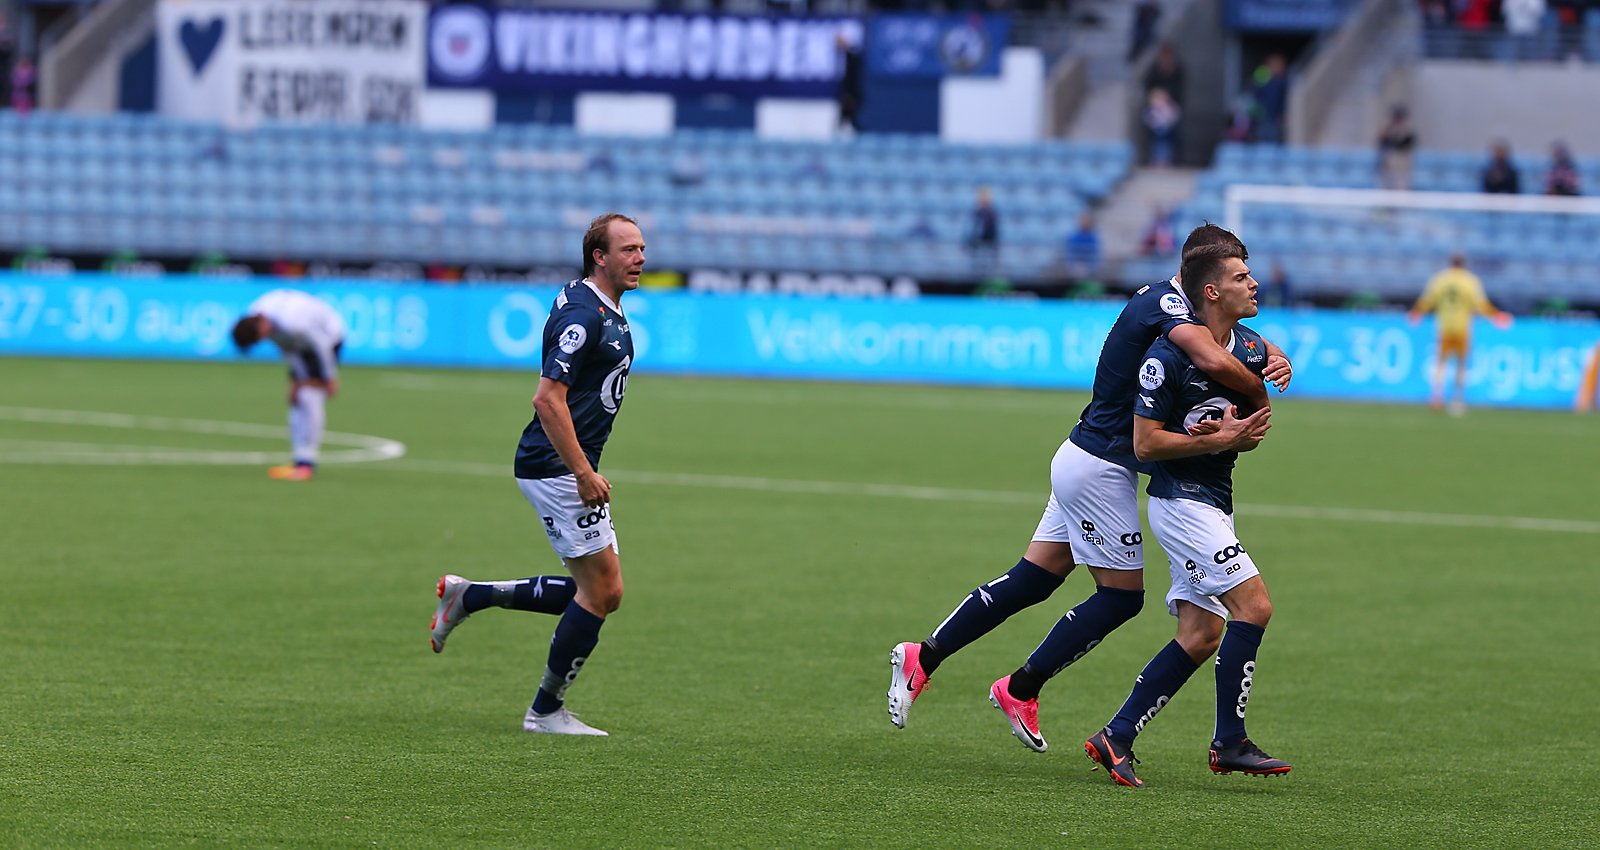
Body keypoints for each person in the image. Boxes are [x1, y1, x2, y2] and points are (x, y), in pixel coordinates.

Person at [886, 224, 1292, 749]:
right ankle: (1022, 685)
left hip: (1088, 457)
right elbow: (1214, 359)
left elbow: (1239, 341)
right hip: (1101, 464)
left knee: (1033, 579)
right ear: (1204, 280)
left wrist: (1272, 352)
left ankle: (927, 655)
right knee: (1121, 599)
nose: (1249, 281)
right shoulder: (1167, 306)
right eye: (1237, 272)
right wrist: (1260, 388)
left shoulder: (1190, 307)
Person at [1082, 239, 1288, 789]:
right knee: (1255, 607)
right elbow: (1147, 447)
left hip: (1215, 499)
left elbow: (1256, 407)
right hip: (1180, 503)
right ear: (1213, 291)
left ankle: (1116, 736)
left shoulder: (1245, 345)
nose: (1255, 283)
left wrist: (1241, 425)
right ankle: (1230, 742)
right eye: (1243, 276)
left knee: (1200, 635)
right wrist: (1206, 439)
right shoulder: (1165, 360)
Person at [429, 213, 644, 737]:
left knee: (602, 592)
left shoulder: (599, 305)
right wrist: (582, 473)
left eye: (641, 248)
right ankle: (545, 711)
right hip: (557, 467)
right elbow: (547, 399)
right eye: (629, 249)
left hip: (564, 465)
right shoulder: (584, 315)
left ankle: (471, 596)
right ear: (600, 255)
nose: (640, 257)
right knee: (600, 592)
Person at [231, 289, 347, 481]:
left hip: (328, 336)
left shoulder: (293, 323)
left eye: (260, 339)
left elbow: (321, 346)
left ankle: (307, 464)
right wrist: (295, 381)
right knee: (296, 398)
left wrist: (330, 377)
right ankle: (299, 460)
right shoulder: (258, 317)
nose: (263, 341)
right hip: (300, 346)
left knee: (310, 397)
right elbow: (289, 348)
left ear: (261, 328)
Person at [1407, 253, 1512, 415]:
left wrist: (1416, 312)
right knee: (1461, 364)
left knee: (1441, 362)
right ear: (1464, 264)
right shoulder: (1470, 281)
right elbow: (1481, 305)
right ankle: (1457, 399)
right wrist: (1496, 315)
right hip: (1463, 327)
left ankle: (1436, 396)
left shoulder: (1440, 279)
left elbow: (1427, 300)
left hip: (1444, 326)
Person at [1376, 105, 1416, 191]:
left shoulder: (1407, 130)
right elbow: (1382, 143)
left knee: (1401, 185)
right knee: (1386, 183)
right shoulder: (1387, 128)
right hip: (1389, 159)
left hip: (1402, 159)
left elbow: (1408, 144)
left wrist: (1400, 134)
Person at [1063, 211, 1102, 279]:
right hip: (1075, 265)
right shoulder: (1073, 236)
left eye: (1088, 221)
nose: (1085, 223)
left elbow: (1094, 254)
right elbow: (1070, 253)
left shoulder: (1094, 237)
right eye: (1083, 220)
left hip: (1089, 266)